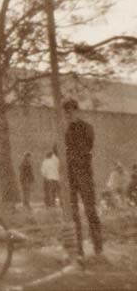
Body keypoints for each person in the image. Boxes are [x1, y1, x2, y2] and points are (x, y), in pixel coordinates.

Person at [63, 98, 104, 259]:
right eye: (66, 112)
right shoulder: (64, 131)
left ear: (76, 111)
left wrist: (69, 152)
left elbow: (85, 149)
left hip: (84, 175)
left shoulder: (87, 128)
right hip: (71, 178)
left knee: (90, 211)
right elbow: (57, 150)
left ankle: (98, 247)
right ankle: (78, 250)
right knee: (74, 215)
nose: (68, 114)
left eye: (71, 111)